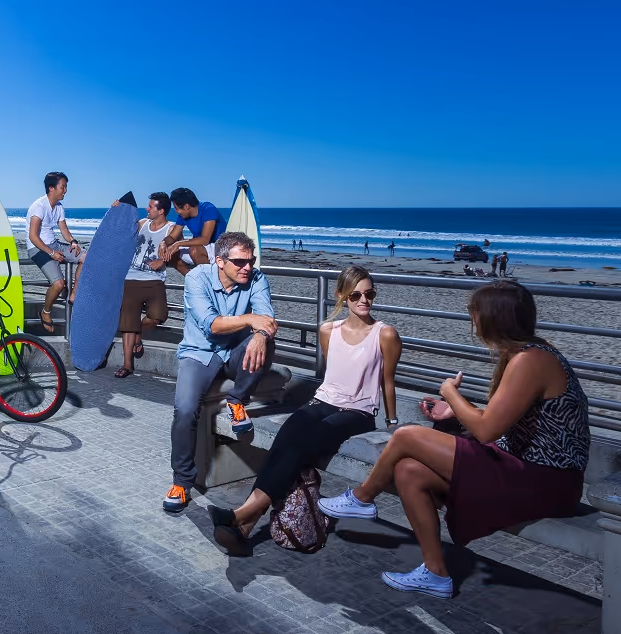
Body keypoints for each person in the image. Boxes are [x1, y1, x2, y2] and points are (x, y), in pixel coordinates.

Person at [318, 281, 590, 599]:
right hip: (522, 468)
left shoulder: (532, 360)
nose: (473, 324)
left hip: (546, 481)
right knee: (408, 470)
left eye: (475, 316)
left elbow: (487, 430)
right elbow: (501, 419)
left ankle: (362, 498)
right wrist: (453, 413)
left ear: (493, 319)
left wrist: (450, 394)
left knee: (406, 435)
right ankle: (435, 573)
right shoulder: (524, 354)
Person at [209, 266, 401, 555]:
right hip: (323, 401)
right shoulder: (328, 330)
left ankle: (241, 515)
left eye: (370, 294)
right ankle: (244, 528)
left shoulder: (384, 334)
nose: (364, 300)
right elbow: (330, 377)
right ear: (341, 296)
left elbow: (388, 381)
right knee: (287, 436)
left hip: (357, 412)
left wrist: (392, 422)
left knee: (305, 441)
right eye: (356, 294)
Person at [164, 231, 278, 513]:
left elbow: (268, 320)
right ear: (219, 261)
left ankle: (237, 399)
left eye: (250, 261)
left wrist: (261, 334)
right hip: (199, 352)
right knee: (185, 409)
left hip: (235, 351)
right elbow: (211, 325)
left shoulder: (257, 278)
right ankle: (181, 482)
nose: (247, 267)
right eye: (239, 262)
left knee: (264, 340)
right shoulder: (196, 278)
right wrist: (252, 320)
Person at [115, 192, 173, 379]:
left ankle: (138, 335)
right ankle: (127, 365)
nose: (147, 209)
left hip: (155, 280)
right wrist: (117, 209)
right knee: (128, 323)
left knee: (158, 316)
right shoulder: (142, 224)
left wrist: (162, 262)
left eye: (151, 207)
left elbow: (172, 250)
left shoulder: (171, 229)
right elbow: (120, 227)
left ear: (162, 210)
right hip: (131, 278)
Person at [27, 172, 84, 333]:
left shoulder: (58, 207)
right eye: (63, 187)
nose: (65, 190)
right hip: (37, 248)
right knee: (59, 284)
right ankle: (45, 312)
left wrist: (73, 241)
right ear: (51, 188)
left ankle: (74, 294)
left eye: (66, 187)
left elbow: (64, 229)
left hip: (53, 244)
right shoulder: (39, 207)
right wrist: (52, 253)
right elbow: (33, 236)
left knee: (87, 257)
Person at [158, 188, 223, 276]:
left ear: (186, 207)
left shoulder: (208, 209)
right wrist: (163, 243)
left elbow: (205, 239)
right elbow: (172, 237)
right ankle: (192, 278)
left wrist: (178, 244)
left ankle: (209, 281)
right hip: (202, 247)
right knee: (170, 254)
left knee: (194, 250)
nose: (176, 211)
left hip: (219, 247)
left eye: (177, 208)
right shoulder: (183, 216)